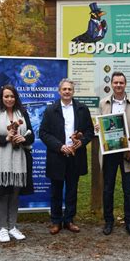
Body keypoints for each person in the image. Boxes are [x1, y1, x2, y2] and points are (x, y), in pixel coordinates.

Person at [39, 78, 94, 235]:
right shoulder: (51, 110)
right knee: (56, 190)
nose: (67, 91)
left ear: (73, 91)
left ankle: (69, 220)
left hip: (75, 156)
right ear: (59, 91)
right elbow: (43, 133)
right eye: (64, 89)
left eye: (70, 89)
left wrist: (81, 142)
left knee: (72, 189)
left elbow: (90, 131)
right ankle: (56, 221)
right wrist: (59, 146)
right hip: (57, 155)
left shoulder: (82, 109)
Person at [0, 85, 35, 242]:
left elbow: (31, 134)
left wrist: (24, 139)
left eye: (12, 96)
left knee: (14, 194)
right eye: (6, 96)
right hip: (0, 161)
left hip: (20, 160)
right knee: (2, 194)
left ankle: (12, 226)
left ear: (16, 97)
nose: (9, 99)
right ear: (1, 98)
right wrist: (4, 139)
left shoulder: (23, 113)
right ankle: (2, 228)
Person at [97, 71, 130, 237]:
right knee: (108, 188)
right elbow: (101, 125)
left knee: (128, 189)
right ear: (112, 84)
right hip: (110, 152)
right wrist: (98, 129)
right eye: (115, 83)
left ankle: (129, 222)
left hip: (128, 154)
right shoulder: (103, 103)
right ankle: (108, 221)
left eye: (121, 83)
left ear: (125, 84)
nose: (118, 85)